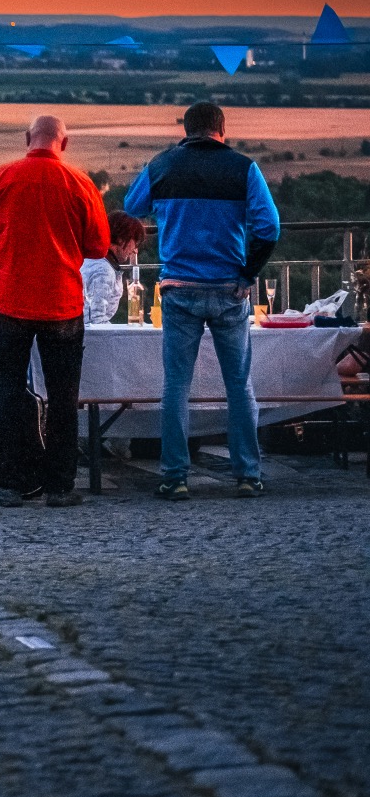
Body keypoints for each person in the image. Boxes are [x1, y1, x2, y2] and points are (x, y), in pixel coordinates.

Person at [122, 102, 280, 500]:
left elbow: (130, 209)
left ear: (186, 129)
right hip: (230, 289)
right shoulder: (244, 168)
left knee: (176, 384)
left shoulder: (162, 166)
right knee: (239, 384)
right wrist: (248, 272)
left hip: (179, 288)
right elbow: (270, 227)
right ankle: (248, 474)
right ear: (221, 130)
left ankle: (174, 477)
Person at [0, 114, 111, 508]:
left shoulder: (1, 178)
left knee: (8, 388)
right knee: (64, 396)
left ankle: (4, 483)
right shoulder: (81, 184)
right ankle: (60, 486)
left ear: (28, 138)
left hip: (9, 300)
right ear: (64, 144)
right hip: (62, 304)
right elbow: (99, 247)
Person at [81, 212, 149, 324]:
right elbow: (95, 320)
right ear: (121, 239)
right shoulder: (103, 271)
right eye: (135, 244)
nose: (135, 251)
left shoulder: (95, 262)